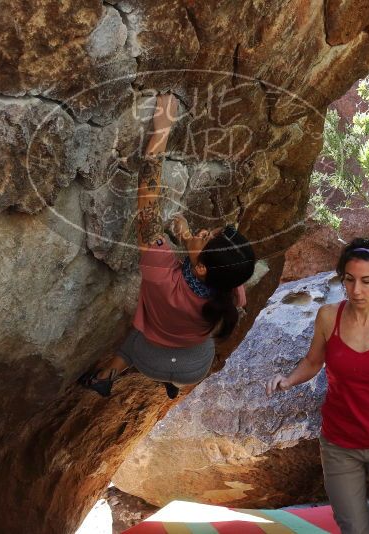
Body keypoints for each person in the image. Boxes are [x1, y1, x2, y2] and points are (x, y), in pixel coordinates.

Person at [79, 93, 256, 399]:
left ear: (201, 266)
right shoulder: (229, 286)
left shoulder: (162, 273)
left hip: (149, 358)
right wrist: (188, 237)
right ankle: (173, 388)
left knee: (133, 344)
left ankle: (105, 377)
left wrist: (162, 126)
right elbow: (216, 276)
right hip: (193, 366)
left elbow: (148, 202)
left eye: (206, 236)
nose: (204, 229)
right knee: (175, 363)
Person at [266, 238, 369, 534]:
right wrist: (288, 380)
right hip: (340, 443)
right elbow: (313, 362)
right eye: (349, 280)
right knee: (354, 529)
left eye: (367, 281)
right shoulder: (329, 317)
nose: (356, 290)